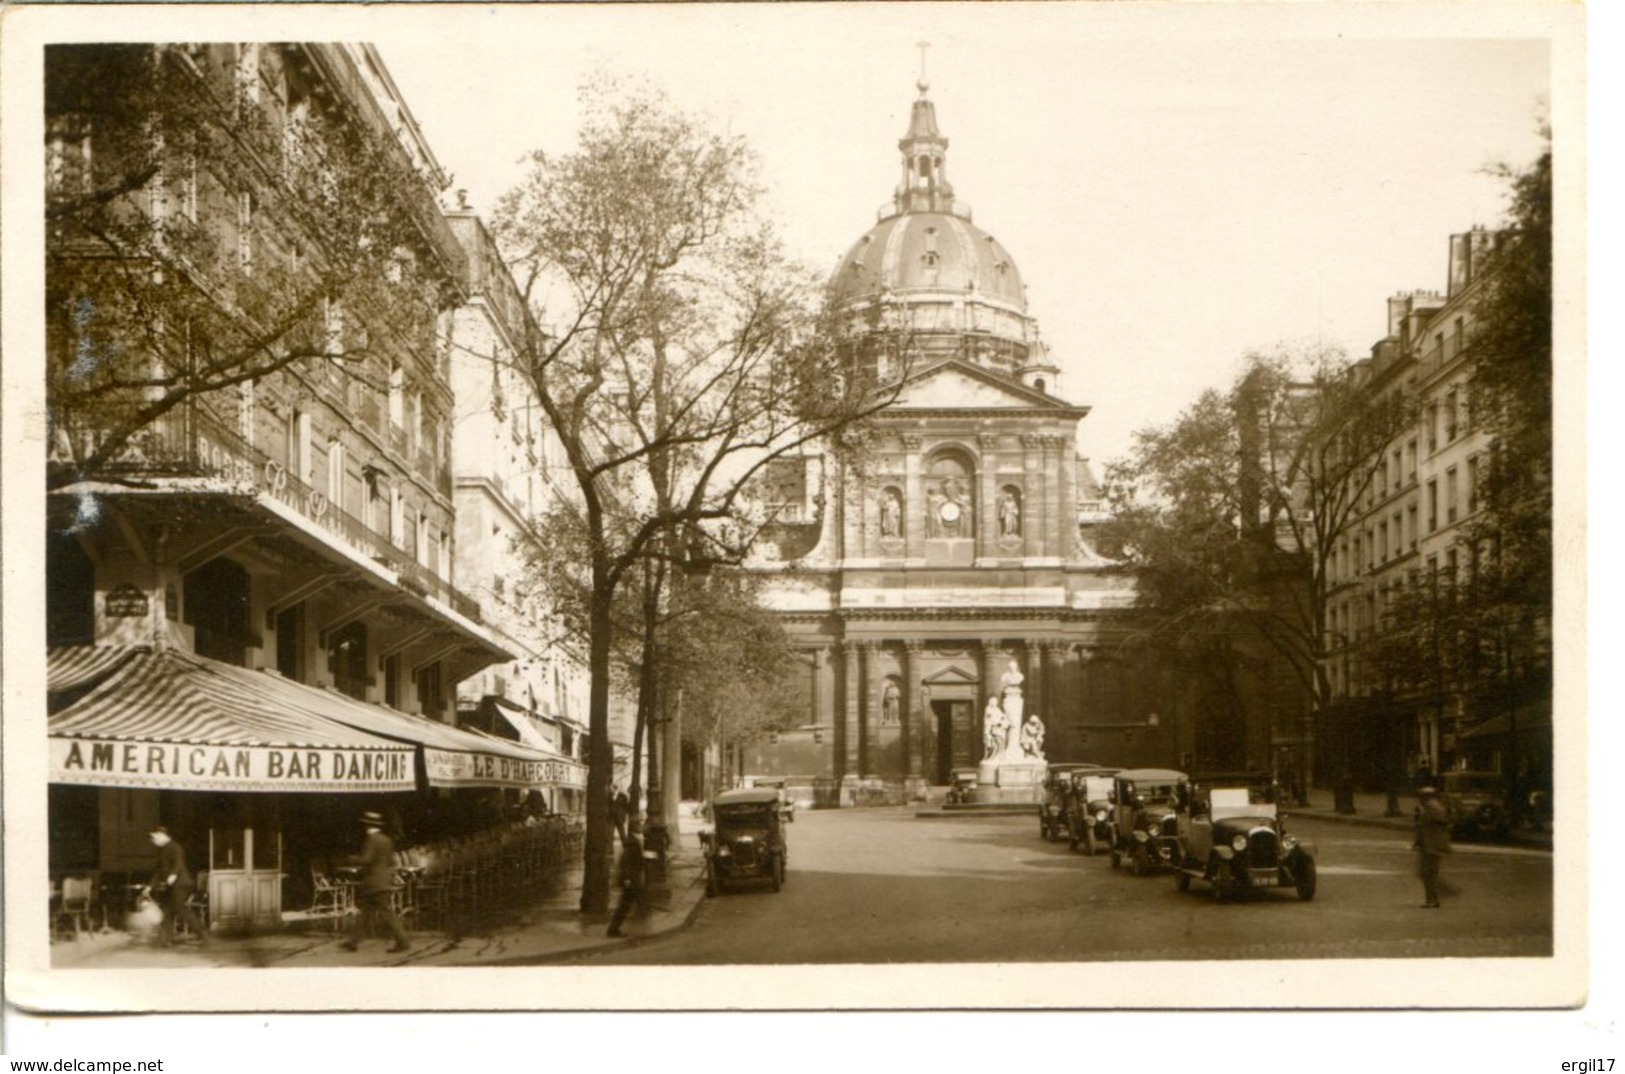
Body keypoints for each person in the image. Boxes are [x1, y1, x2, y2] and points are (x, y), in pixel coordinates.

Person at [341, 811, 411, 953]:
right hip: (383, 880)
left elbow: (366, 859)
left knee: (385, 913)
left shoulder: (372, 839)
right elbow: (391, 861)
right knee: (366, 913)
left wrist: (351, 859)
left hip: (374, 882)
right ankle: (353, 941)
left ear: (367, 825)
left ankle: (403, 941)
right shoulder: (386, 840)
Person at [146, 826, 207, 947]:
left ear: (162, 835)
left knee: (180, 908)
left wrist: (173, 875)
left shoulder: (175, 847)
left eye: (155, 837)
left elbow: (178, 863)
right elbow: (158, 872)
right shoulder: (161, 851)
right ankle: (165, 940)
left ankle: (203, 933)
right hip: (171, 885)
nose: (153, 840)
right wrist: (150, 886)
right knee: (167, 911)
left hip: (182, 883)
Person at [1412, 786, 1452, 908]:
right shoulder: (1428, 807)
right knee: (1426, 873)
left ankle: (1433, 899)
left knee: (1428, 873)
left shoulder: (1432, 806)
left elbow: (1442, 821)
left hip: (1432, 845)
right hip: (1428, 844)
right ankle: (1435, 897)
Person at [606, 833, 646, 938]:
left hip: (632, 882)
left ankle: (614, 928)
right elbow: (628, 866)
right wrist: (627, 880)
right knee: (624, 906)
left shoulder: (629, 850)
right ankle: (613, 929)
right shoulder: (631, 851)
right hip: (632, 883)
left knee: (629, 905)